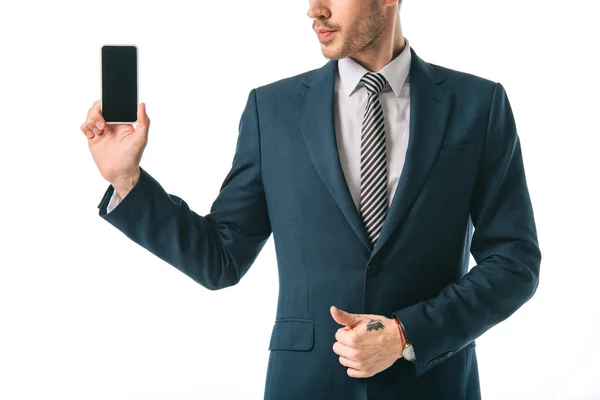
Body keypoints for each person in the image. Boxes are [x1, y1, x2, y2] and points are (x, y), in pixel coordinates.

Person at [80, 0, 541, 398]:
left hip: (434, 386)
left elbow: (514, 262)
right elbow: (220, 259)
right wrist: (127, 181)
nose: (313, 10)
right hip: (306, 385)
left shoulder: (478, 105)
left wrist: (405, 334)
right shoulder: (272, 110)